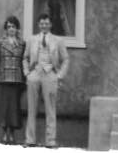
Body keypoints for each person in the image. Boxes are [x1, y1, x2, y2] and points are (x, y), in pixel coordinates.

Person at [23, 13, 70, 148]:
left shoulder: (58, 40)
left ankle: (50, 141)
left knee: (50, 108)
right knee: (31, 108)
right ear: (38, 25)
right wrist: (27, 73)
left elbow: (66, 59)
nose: (44, 26)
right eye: (42, 23)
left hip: (50, 75)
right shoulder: (32, 39)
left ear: (50, 25)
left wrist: (59, 75)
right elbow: (25, 57)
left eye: (46, 23)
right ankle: (30, 139)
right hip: (35, 74)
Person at [0, 15, 26, 144]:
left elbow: (24, 62)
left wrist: (25, 79)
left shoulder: (22, 43)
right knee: (4, 107)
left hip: (17, 79)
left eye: (14, 26)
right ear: (6, 29)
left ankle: (12, 133)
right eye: (9, 27)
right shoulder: (0, 43)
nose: (11, 29)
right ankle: (4, 133)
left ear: (17, 28)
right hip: (3, 78)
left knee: (14, 108)